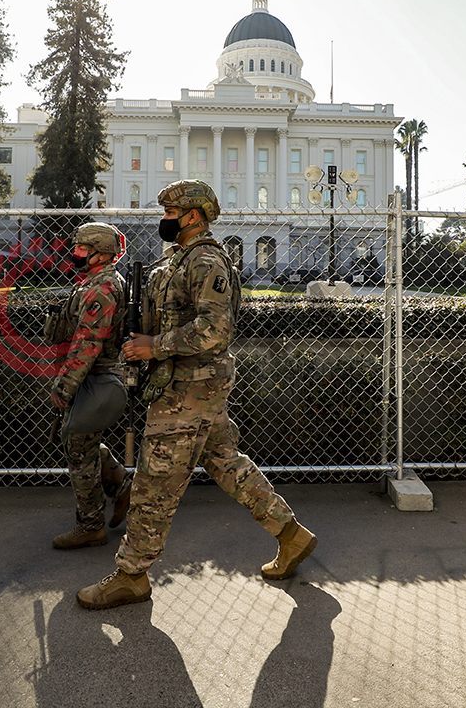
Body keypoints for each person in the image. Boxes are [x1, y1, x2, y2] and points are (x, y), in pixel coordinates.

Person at [77, 179, 317, 610]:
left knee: (153, 483)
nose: (164, 220)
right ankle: (292, 536)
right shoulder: (180, 259)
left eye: (170, 214)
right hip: (189, 384)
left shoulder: (206, 260)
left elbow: (215, 329)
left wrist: (156, 346)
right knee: (227, 464)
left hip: (190, 388)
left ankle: (131, 575)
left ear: (192, 216)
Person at [45, 222, 133, 550]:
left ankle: (91, 525)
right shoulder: (96, 282)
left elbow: (87, 345)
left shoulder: (103, 288)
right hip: (93, 377)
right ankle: (121, 485)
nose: (75, 253)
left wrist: (64, 388)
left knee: (77, 447)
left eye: (82, 249)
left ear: (101, 252)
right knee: (82, 441)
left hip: (97, 378)